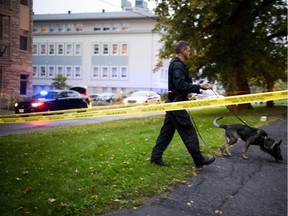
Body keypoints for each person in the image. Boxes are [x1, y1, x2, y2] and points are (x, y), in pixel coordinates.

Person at [150, 41, 215, 168]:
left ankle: (155, 158)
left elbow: (181, 84)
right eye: (189, 50)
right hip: (176, 104)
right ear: (183, 50)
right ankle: (199, 159)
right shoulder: (177, 66)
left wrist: (195, 87)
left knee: (167, 132)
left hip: (173, 103)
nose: (190, 53)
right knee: (188, 130)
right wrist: (199, 87)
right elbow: (180, 85)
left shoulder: (177, 64)